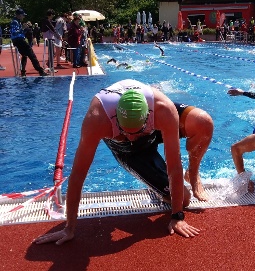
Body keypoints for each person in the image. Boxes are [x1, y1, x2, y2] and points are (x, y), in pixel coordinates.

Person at [34, 79, 213, 245]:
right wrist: (69, 228)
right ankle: (154, 179)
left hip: (152, 127)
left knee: (203, 123)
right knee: (184, 198)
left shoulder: (163, 110)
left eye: (137, 133)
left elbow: (174, 165)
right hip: (126, 149)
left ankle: (193, 174)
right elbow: (78, 174)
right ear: (116, 120)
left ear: (149, 116)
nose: (131, 137)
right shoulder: (97, 119)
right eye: (125, 131)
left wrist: (177, 216)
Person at [9, 9, 48, 77]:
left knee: (24, 55)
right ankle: (40, 71)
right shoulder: (14, 22)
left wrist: (26, 29)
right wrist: (23, 28)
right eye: (23, 15)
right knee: (31, 54)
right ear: (19, 15)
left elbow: (20, 33)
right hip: (18, 40)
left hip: (19, 40)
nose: (23, 17)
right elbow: (14, 32)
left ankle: (23, 72)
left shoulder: (18, 21)